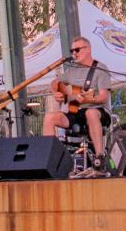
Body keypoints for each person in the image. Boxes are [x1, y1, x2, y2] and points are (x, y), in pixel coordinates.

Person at [43, 36, 113, 165]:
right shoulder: (71, 71)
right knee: (49, 117)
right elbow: (55, 82)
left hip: (98, 112)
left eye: (77, 50)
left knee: (90, 113)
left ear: (88, 50)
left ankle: (100, 157)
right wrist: (55, 92)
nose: (74, 53)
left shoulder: (100, 69)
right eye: (72, 51)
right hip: (75, 112)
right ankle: (50, 160)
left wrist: (89, 98)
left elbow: (103, 96)